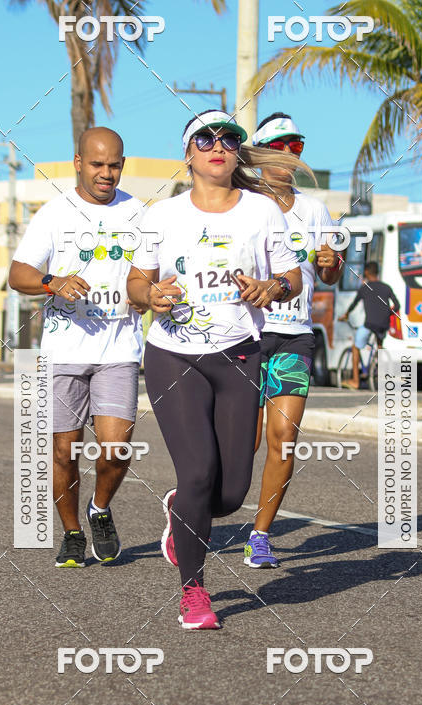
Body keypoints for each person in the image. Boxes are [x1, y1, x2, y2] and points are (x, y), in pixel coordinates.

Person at [127, 109, 304, 630]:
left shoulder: (262, 211)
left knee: (228, 494)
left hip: (239, 356)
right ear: (188, 154)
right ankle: (194, 592)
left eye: (228, 139)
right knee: (199, 472)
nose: (218, 146)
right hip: (173, 355)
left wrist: (272, 288)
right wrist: (151, 295)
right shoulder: (163, 215)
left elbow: (291, 277)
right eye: (204, 139)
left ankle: (181, 507)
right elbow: (136, 283)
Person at [9, 127, 144, 568]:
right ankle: (71, 533)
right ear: (78, 163)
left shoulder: (139, 213)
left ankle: (99, 509)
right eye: (98, 164)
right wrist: (53, 281)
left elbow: (151, 272)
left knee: (116, 449)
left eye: (114, 165)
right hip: (63, 350)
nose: (107, 173)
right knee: (63, 452)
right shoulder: (53, 214)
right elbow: (18, 274)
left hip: (119, 348)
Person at [245, 113, 342, 569]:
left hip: (295, 336)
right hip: (245, 334)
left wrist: (331, 263)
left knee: (283, 438)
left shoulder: (315, 210)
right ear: (259, 154)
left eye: (296, 147)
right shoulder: (242, 205)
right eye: (279, 146)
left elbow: (329, 275)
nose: (288, 155)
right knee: (241, 443)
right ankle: (194, 509)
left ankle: (260, 536)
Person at [339, 261, 400, 388]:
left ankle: (355, 381)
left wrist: (346, 315)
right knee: (379, 347)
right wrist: (387, 313)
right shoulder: (386, 287)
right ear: (377, 272)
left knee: (355, 347)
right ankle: (382, 375)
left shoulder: (365, 288)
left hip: (369, 324)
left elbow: (354, 304)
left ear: (366, 272)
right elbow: (397, 305)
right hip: (384, 324)